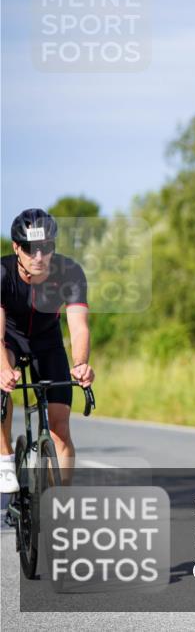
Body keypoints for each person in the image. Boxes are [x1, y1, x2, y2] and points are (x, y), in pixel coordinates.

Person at [0, 208, 95, 492]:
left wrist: (80, 363)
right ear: (17, 247)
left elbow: (79, 327)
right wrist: (4, 369)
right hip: (10, 339)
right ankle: (5, 459)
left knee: (60, 429)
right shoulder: (2, 274)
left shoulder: (70, 272)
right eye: (30, 249)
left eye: (46, 248)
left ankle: (62, 502)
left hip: (47, 342)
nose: (39, 256)